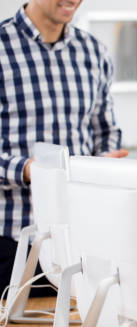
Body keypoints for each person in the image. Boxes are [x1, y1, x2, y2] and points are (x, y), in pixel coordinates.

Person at [0, 0, 125, 295]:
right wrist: (29, 170)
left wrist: (105, 162)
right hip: (9, 240)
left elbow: (105, 131)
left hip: (77, 242)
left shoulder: (94, 52)